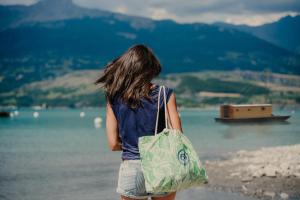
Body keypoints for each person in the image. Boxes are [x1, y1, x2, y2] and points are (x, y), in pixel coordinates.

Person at [94, 44, 183, 200]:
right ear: (151, 68)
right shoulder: (164, 94)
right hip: (161, 166)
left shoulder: (114, 97)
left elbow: (113, 144)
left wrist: (131, 145)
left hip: (132, 167)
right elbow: (178, 137)